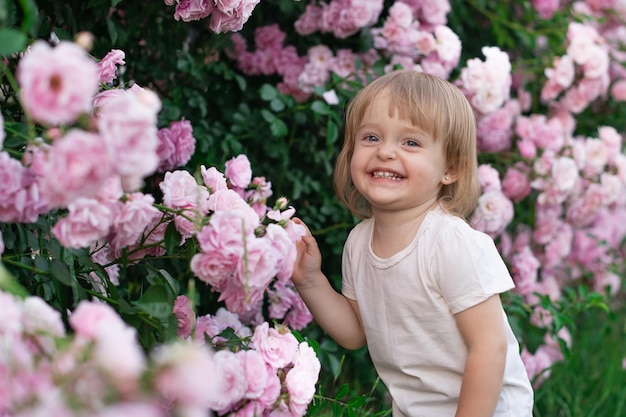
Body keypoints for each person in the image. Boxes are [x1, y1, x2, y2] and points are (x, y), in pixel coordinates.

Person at [291, 70, 534, 417]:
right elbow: (357, 332)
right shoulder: (359, 243)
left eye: (411, 143)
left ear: (450, 168)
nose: (386, 152)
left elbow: (489, 348)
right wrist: (310, 280)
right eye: (371, 137)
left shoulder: (450, 244)